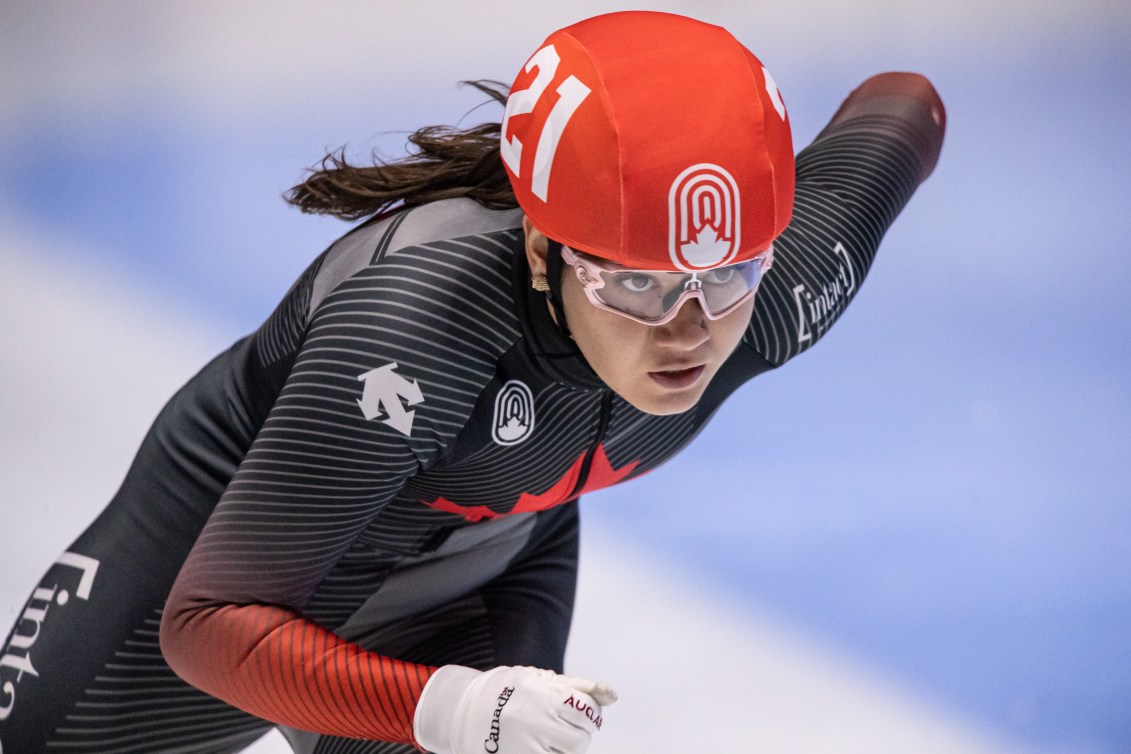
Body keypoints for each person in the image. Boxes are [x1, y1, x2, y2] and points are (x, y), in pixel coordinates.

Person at [0, 10, 945, 754]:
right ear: (542, 247)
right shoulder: (421, 324)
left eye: (730, 272)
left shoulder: (773, 293)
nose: (688, 331)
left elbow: (904, 104)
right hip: (233, 578)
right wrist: (450, 708)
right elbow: (203, 626)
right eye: (636, 283)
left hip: (479, 563)